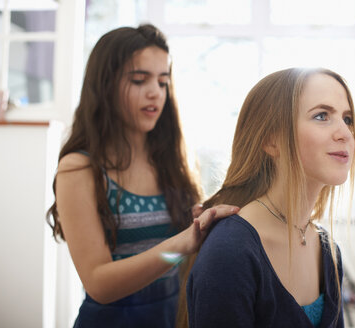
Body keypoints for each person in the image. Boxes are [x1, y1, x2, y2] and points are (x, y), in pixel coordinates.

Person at [46, 24, 238, 328]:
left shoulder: (173, 161)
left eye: (163, 82)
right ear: (105, 85)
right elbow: (99, 283)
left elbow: (187, 257)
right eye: (139, 79)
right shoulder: (79, 169)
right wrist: (184, 241)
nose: (155, 92)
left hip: (174, 317)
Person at [182, 67, 355, 328]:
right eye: (322, 116)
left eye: (347, 119)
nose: (345, 133)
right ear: (271, 141)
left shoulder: (328, 252)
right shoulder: (230, 252)